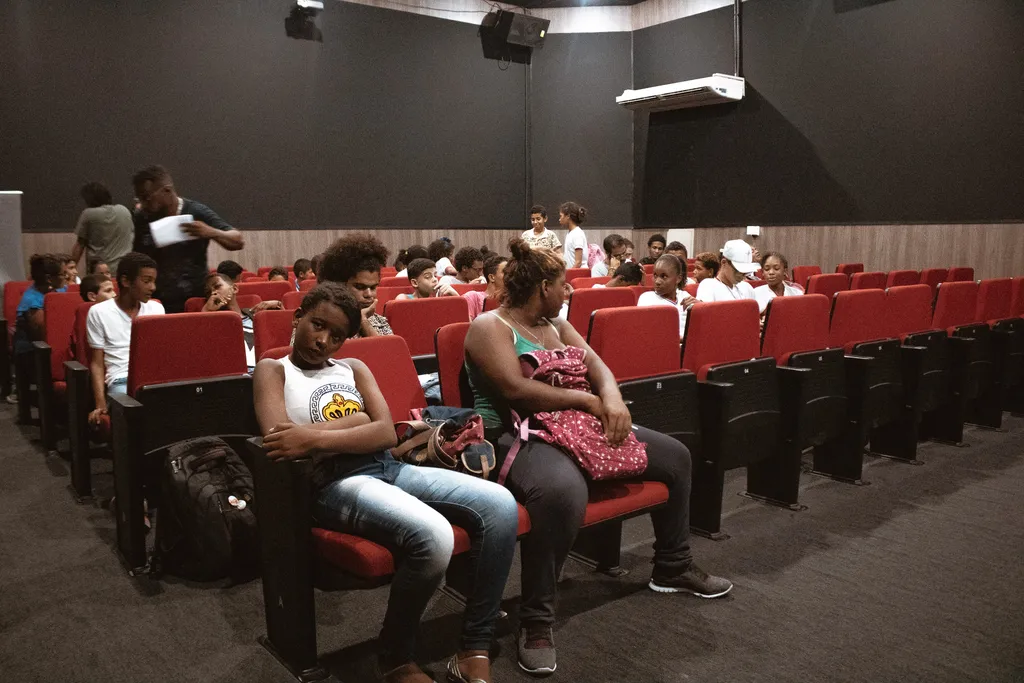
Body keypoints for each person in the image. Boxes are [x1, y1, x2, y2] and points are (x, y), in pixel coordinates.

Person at [464, 239, 732, 676]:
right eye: (562, 285)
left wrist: (613, 399)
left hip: (575, 425)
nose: (568, 291)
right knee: (561, 492)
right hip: (516, 432)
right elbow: (516, 390)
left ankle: (672, 566)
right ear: (542, 287)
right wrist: (590, 403)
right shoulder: (489, 326)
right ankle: (536, 618)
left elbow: (598, 367)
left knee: (676, 457)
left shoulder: (555, 323)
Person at [253, 283, 518, 683]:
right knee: (434, 536)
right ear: (298, 317)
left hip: (387, 467)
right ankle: (394, 656)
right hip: (335, 483)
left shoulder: (353, 368)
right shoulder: (274, 370)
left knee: (500, 504)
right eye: (317, 325)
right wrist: (356, 422)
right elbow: (282, 440)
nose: (323, 340)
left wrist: (314, 436)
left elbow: (383, 434)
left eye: (336, 336)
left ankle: (475, 644)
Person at [131, 165, 245, 313]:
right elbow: (136, 259)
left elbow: (238, 240)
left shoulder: (196, 212)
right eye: (140, 198)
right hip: (156, 301)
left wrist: (211, 232)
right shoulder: (142, 217)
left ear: (167, 190)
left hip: (196, 300)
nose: (143, 203)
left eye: (147, 197)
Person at [85, 252, 165, 425]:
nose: (153, 287)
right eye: (146, 281)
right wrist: (100, 403)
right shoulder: (99, 312)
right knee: (139, 413)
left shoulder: (156, 309)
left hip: (153, 380)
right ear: (126, 281)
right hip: (121, 379)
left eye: (154, 281)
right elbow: (97, 363)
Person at [201, 272, 283, 371]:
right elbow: (201, 345)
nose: (213, 293)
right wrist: (206, 311)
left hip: (269, 371)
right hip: (236, 375)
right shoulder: (212, 323)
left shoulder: (256, 316)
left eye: (217, 286)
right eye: (209, 293)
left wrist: (279, 305)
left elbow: (286, 336)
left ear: (234, 289)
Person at [317, 233, 393, 337]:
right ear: (338, 286)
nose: (369, 294)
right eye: (360, 287)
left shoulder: (379, 322)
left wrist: (363, 322)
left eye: (373, 287)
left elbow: (388, 348)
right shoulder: (318, 324)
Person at [70, 182, 134, 274]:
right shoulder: (124, 210)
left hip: (99, 271)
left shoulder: (88, 214)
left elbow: (80, 245)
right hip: (123, 269)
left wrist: (71, 268)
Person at [637, 255, 695, 339]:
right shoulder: (646, 298)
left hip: (690, 344)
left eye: (664, 276)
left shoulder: (685, 296)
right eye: (655, 275)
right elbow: (650, 333)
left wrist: (700, 306)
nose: (657, 281)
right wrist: (685, 339)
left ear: (678, 278)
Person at [754, 251, 804, 315]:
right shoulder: (755, 294)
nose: (771, 272)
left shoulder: (797, 293)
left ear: (785, 271)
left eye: (776, 268)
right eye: (767, 269)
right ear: (762, 272)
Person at [464, 254, 507, 320]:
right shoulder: (473, 297)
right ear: (492, 277)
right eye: (505, 272)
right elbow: (467, 325)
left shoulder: (513, 301)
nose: (511, 276)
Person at [559, 201, 588, 268]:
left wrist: (569, 273)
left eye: (561, 216)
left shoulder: (577, 234)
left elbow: (578, 262)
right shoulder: (570, 233)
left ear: (568, 216)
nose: (559, 219)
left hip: (578, 273)